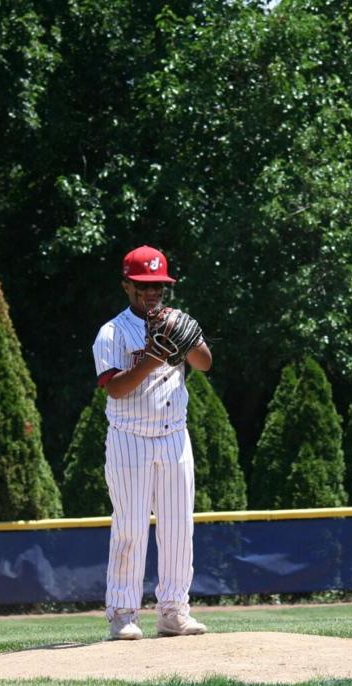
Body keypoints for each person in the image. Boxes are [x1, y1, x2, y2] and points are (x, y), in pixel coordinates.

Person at [91, 245, 212, 640]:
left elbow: (204, 363)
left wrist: (187, 336)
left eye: (158, 285)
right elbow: (116, 390)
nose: (152, 292)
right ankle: (123, 613)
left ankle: (174, 610)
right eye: (143, 285)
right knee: (130, 526)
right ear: (127, 285)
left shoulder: (175, 321)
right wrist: (154, 356)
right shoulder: (112, 332)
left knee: (179, 526)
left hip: (174, 435)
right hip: (130, 439)